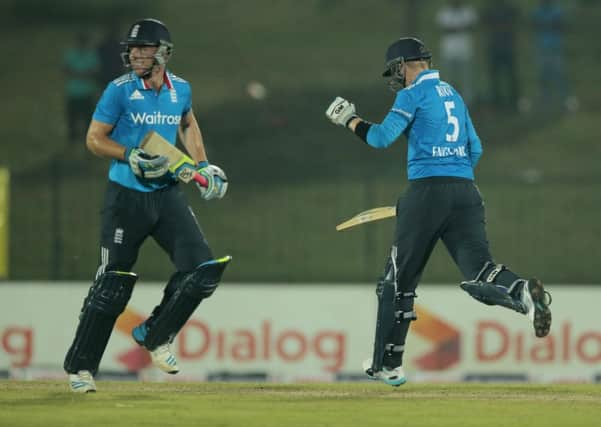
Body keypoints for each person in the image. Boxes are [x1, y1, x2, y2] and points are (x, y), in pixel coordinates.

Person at [325, 37, 552, 387]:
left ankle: (389, 365)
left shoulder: (411, 95)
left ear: (404, 64)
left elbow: (382, 138)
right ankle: (522, 292)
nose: (396, 78)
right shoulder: (454, 95)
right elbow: (475, 148)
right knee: (481, 270)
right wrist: (453, 179)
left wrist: (350, 120)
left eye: (396, 70)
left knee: (396, 282)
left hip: (427, 191)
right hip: (466, 191)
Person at [63, 18, 231, 393]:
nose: (136, 54)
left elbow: (187, 123)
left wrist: (202, 165)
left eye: (144, 49)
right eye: (133, 49)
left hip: (167, 194)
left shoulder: (181, 89)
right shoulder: (118, 90)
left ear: (163, 53)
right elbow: (94, 139)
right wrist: (130, 155)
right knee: (112, 285)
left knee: (202, 270)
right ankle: (81, 368)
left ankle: (155, 334)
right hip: (126, 196)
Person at [435, 0, 478, 105]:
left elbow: (473, 26)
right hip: (448, 50)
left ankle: (467, 102)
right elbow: (441, 28)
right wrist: (461, 28)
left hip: (465, 50)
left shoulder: (468, 11)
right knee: (448, 77)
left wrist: (454, 28)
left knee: (466, 78)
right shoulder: (444, 12)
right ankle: (448, 100)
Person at [63, 31, 100, 144]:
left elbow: (95, 71)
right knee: (72, 120)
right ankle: (72, 141)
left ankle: (85, 141)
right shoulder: (71, 54)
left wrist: (77, 74)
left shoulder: (91, 55)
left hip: (86, 92)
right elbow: (65, 69)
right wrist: (83, 74)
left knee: (86, 120)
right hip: (73, 92)